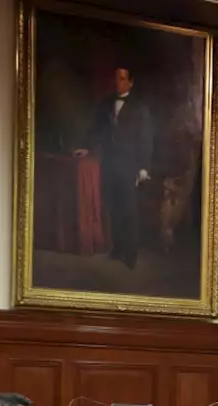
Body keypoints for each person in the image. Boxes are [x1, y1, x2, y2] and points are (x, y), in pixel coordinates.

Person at [75, 66, 153, 269]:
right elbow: (96, 128)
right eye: (116, 78)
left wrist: (143, 167)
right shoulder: (106, 103)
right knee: (113, 207)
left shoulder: (140, 108)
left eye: (122, 78)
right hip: (109, 163)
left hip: (129, 165)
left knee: (129, 210)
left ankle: (131, 254)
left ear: (131, 82)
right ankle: (117, 249)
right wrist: (86, 147)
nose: (117, 82)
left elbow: (145, 138)